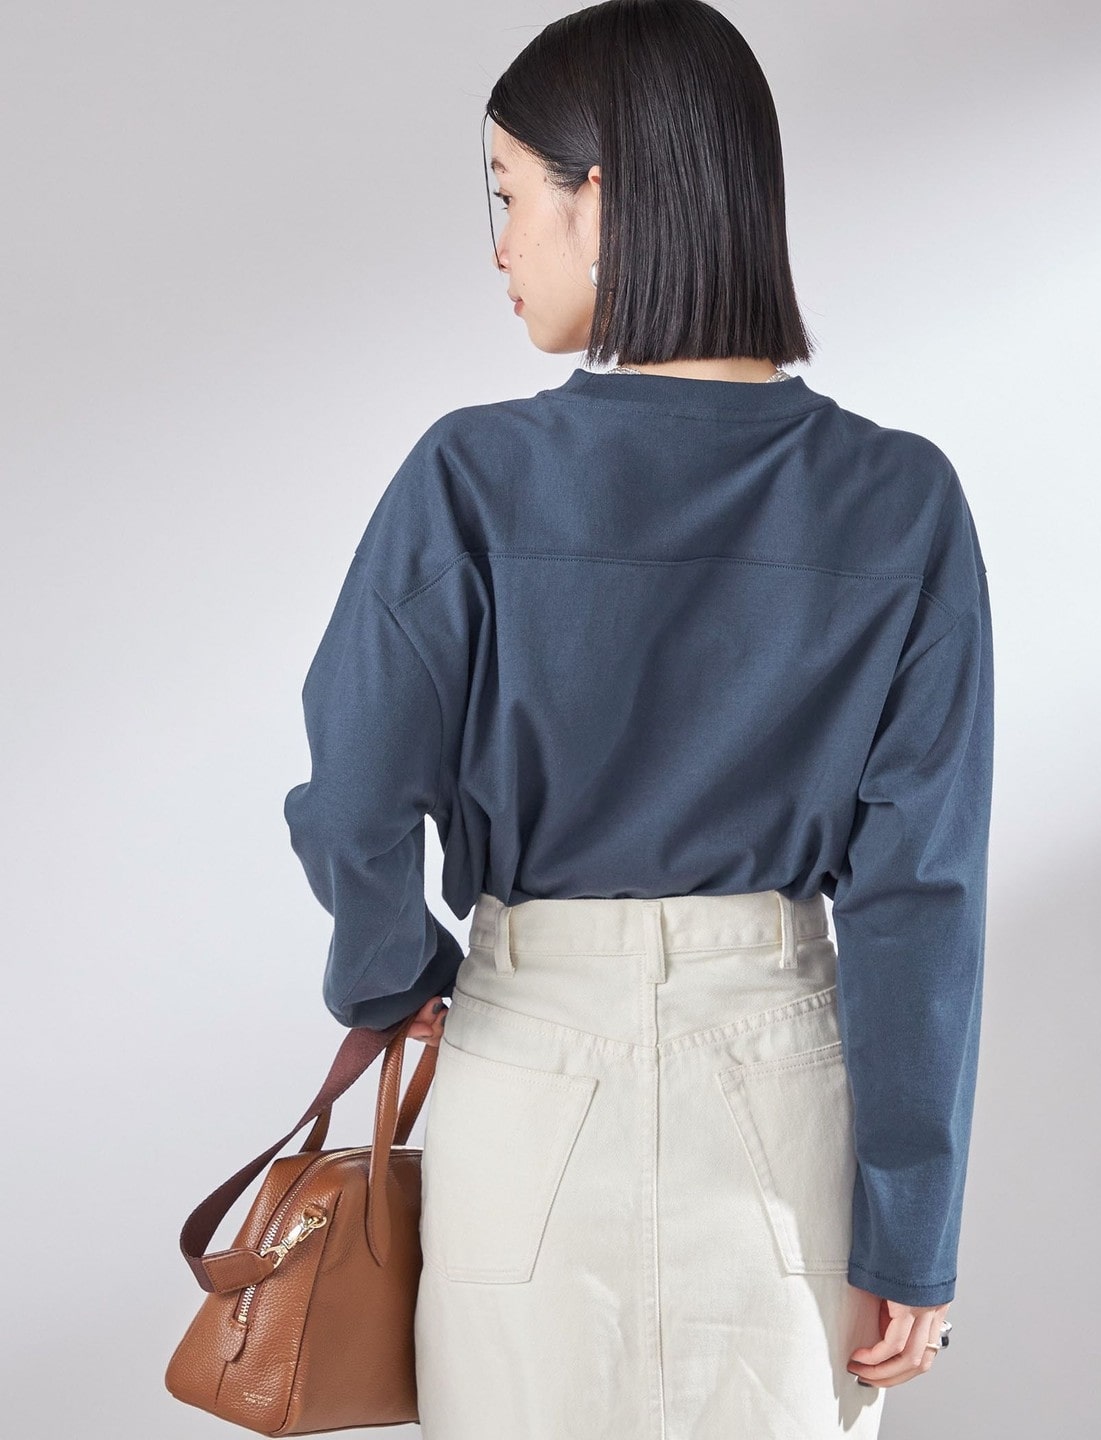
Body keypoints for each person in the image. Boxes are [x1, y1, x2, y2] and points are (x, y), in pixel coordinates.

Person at [282, 2, 992, 1435]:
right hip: (781, 1085)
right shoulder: (903, 503)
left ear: (597, 198)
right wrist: (911, 1228)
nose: (499, 245)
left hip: (525, 1073)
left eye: (508, 195)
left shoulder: (470, 482)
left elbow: (355, 791)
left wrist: (395, 973)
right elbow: (919, 895)